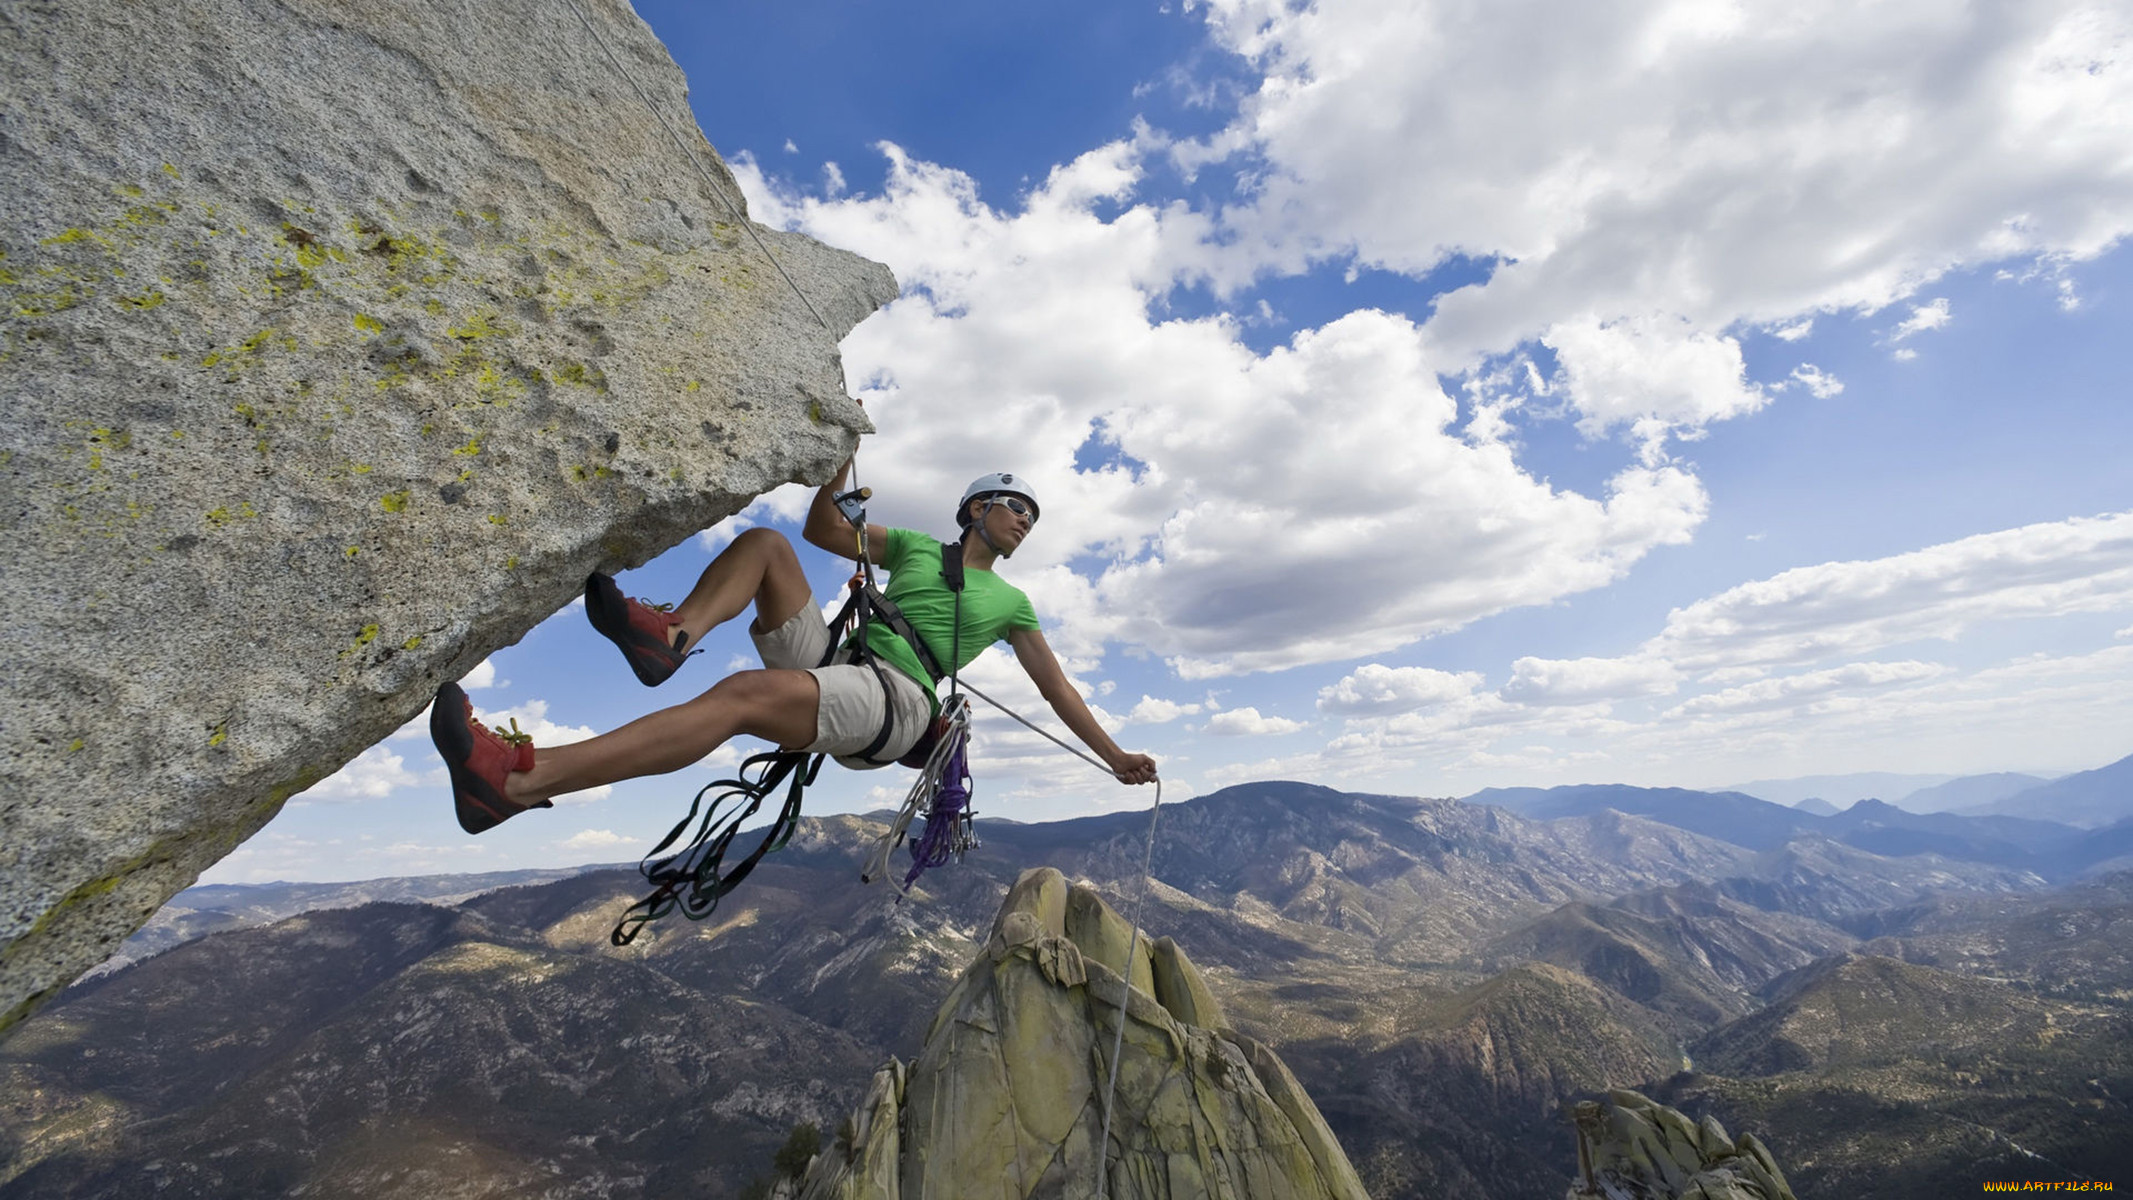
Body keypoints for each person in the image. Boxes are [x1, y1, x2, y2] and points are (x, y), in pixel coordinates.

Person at [432, 461, 1159, 833]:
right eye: (1015, 507)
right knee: (768, 546)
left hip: (898, 701)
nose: (1025, 521)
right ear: (977, 509)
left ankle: (521, 782)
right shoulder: (908, 547)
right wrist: (836, 472)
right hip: (843, 664)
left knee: (743, 696)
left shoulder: (1013, 604)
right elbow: (821, 532)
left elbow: (1056, 689)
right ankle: (672, 637)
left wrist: (1114, 755)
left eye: (1033, 516)